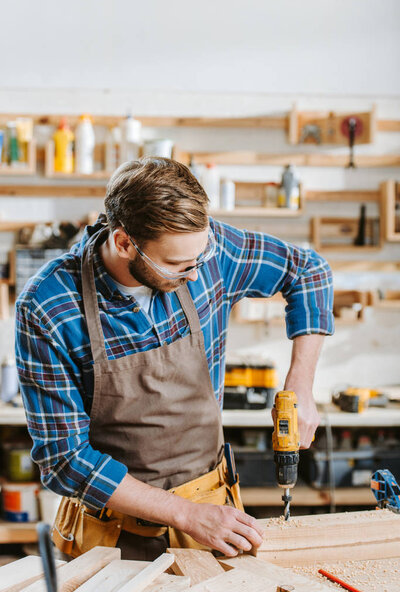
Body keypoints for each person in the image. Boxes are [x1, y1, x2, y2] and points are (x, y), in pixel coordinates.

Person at [15, 157, 334, 560]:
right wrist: (186, 514)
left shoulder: (205, 250)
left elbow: (309, 271)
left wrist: (301, 385)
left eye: (201, 258)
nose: (197, 274)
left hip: (214, 515)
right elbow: (66, 460)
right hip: (110, 533)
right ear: (124, 243)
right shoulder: (50, 305)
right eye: (178, 265)